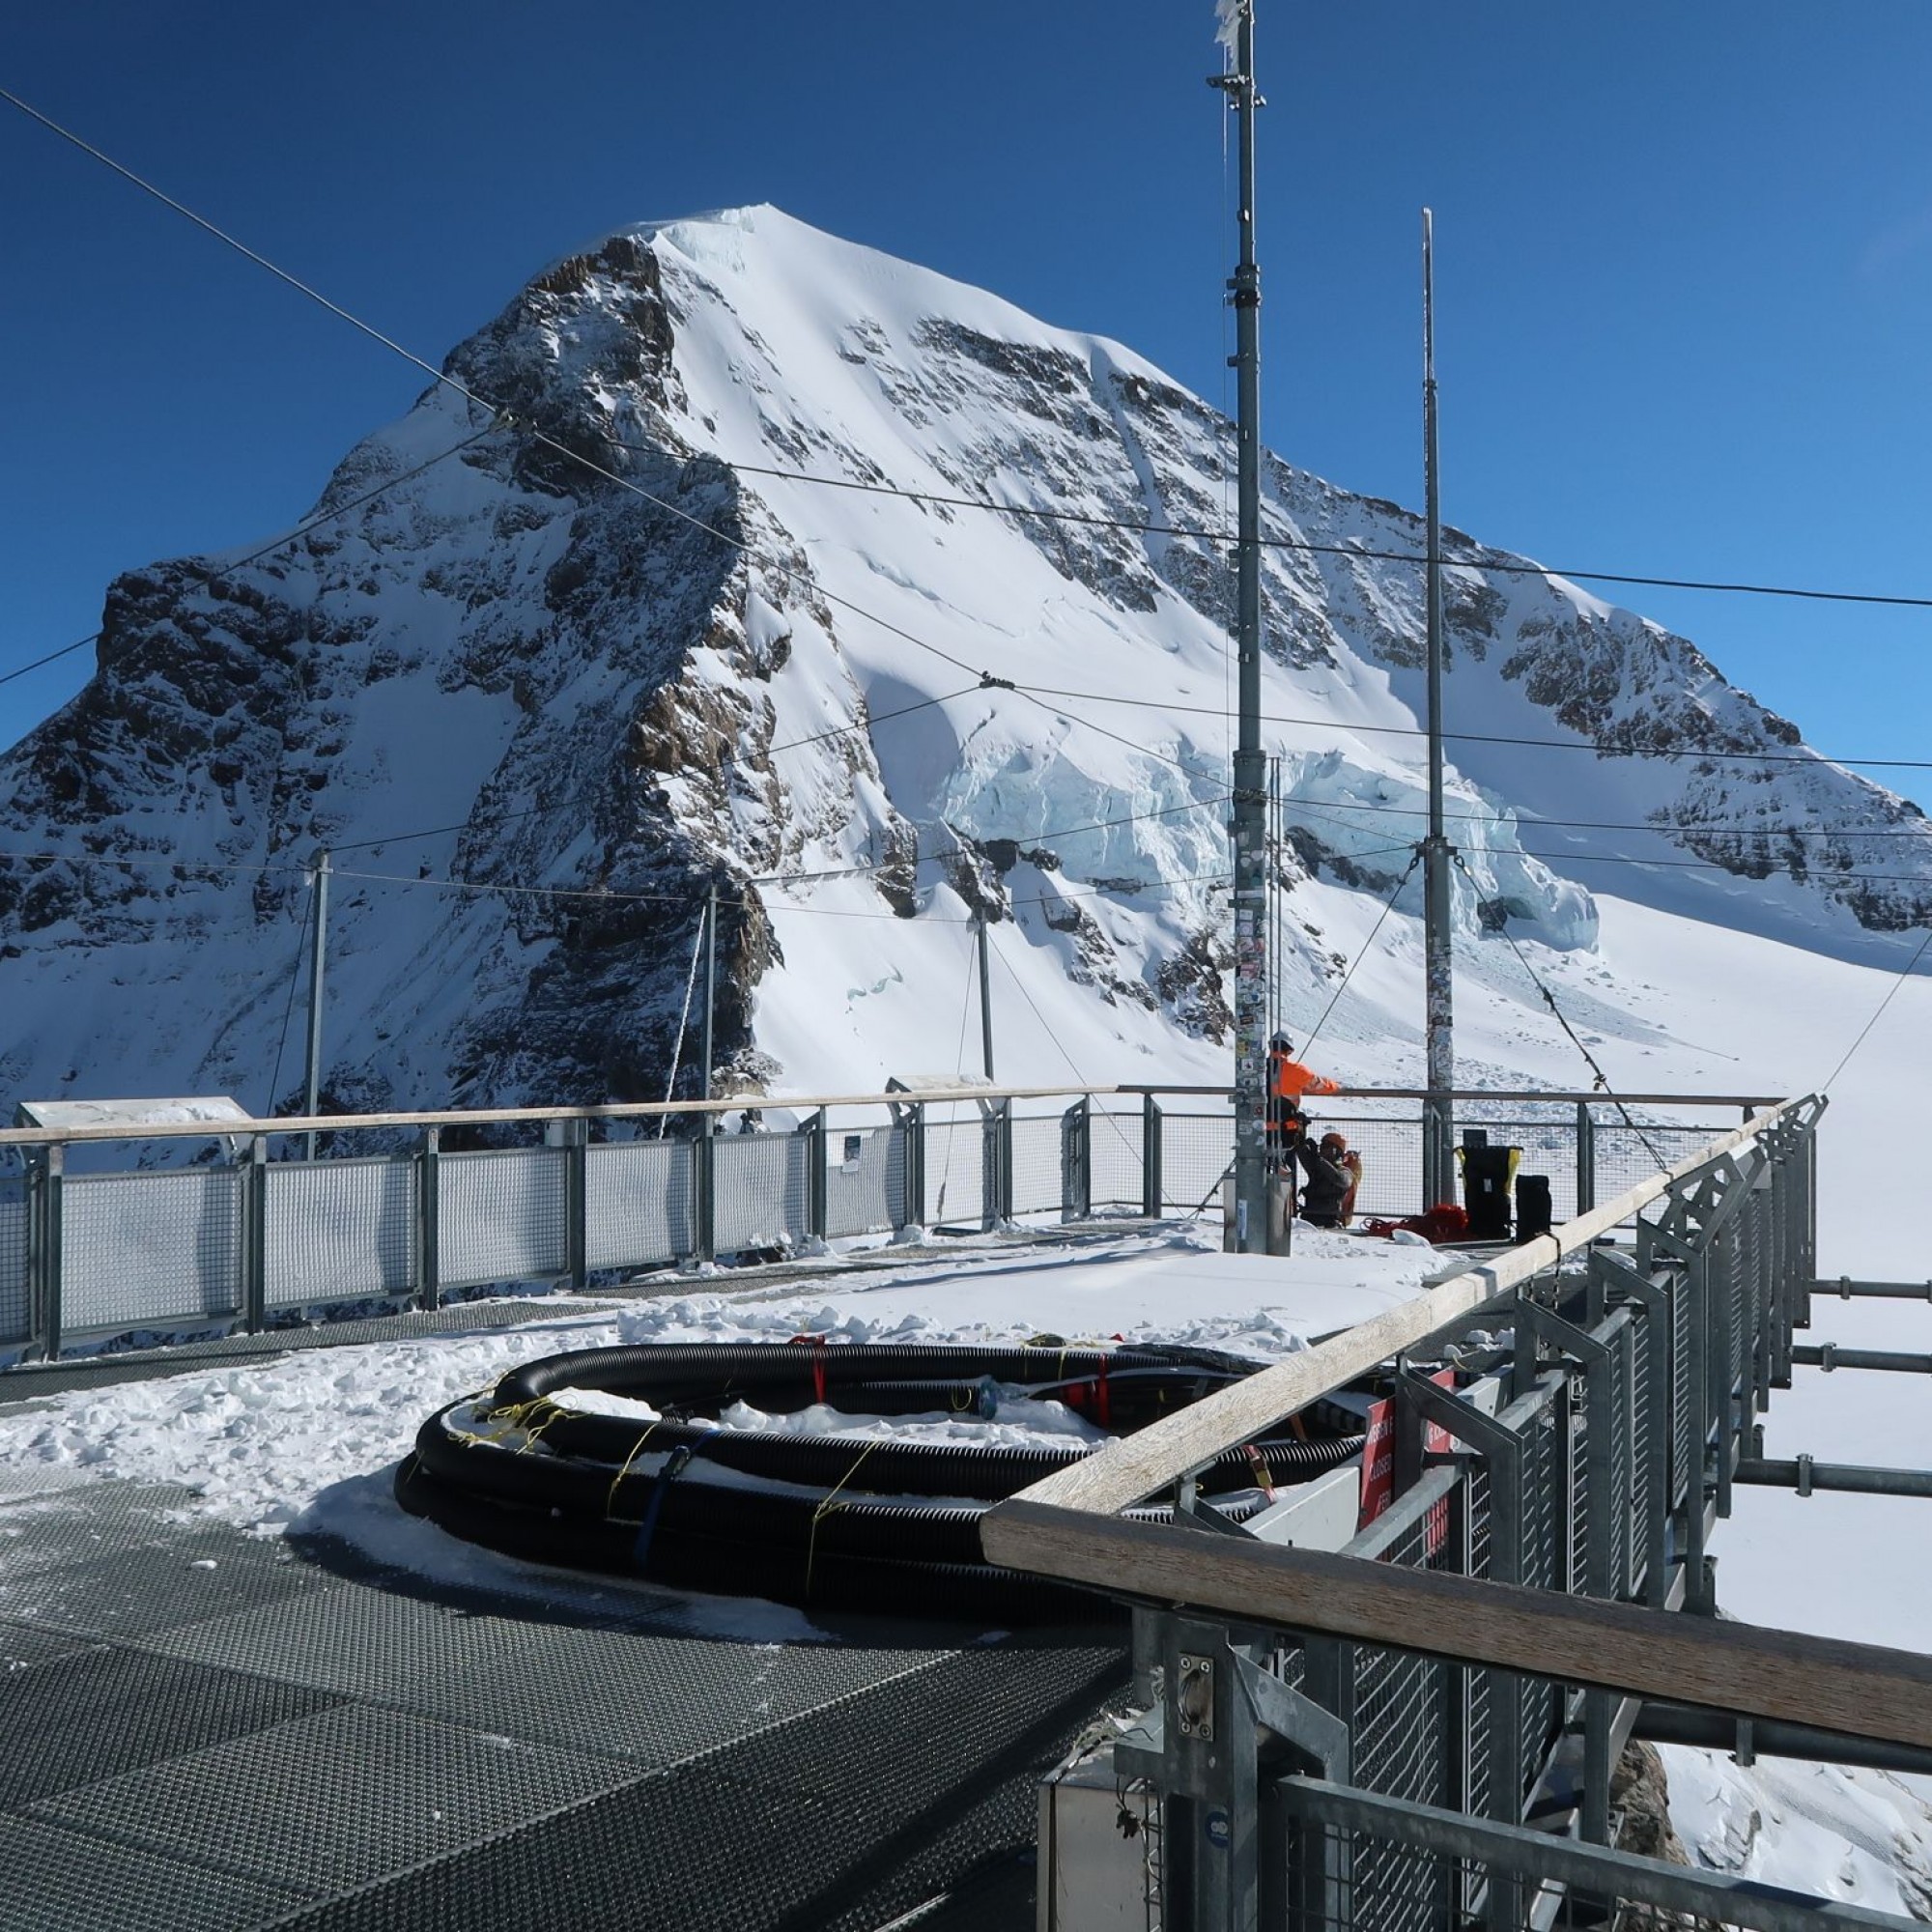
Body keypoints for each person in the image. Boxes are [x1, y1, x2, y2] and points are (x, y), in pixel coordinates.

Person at [1265, 1033, 1340, 1170]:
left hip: (1260, 1133)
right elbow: (1319, 1086)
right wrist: (1337, 1086)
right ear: (1289, 1050)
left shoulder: (1257, 1070)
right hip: (1286, 1135)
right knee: (1286, 1173)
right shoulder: (1296, 1070)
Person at [1293, 1132, 1361, 1229]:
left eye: (1326, 1146)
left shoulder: (1345, 1172)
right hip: (1308, 1221)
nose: (1322, 1149)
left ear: (1336, 1151)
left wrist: (1319, 1159)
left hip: (1329, 1224)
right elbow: (1303, 1154)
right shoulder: (1316, 1169)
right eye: (1322, 1146)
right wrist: (1301, 1140)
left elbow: (1339, 1179)